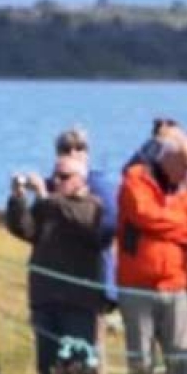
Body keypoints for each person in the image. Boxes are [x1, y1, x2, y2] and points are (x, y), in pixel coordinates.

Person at [115, 131, 187, 374]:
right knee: (140, 356)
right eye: (186, 164)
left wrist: (168, 224)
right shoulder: (135, 180)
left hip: (176, 285)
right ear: (168, 158)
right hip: (137, 286)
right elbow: (143, 213)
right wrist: (177, 224)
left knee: (181, 353)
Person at [5, 155, 107, 374]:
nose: (57, 182)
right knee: (48, 359)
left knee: (80, 359)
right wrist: (18, 199)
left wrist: (45, 195)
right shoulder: (49, 206)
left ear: (81, 179)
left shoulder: (92, 206)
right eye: (55, 177)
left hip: (79, 301)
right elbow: (24, 229)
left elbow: (82, 224)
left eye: (64, 177)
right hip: (46, 297)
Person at [51, 127, 118, 303]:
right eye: (66, 149)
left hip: (94, 274)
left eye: (79, 148)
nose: (73, 153)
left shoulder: (101, 186)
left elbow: (110, 225)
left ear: (87, 153)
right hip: (57, 278)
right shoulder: (51, 185)